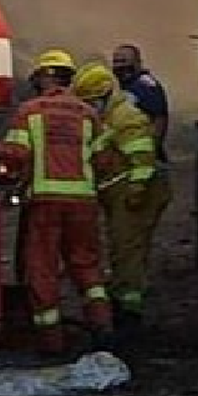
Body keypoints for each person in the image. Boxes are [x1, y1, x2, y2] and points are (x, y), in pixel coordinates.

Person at [2, 49, 113, 355]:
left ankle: (51, 342)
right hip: (84, 204)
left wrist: (0, 161)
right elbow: (104, 160)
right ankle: (102, 327)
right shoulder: (88, 114)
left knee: (42, 268)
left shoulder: (30, 111)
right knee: (88, 267)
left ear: (45, 76)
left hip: (44, 203)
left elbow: (15, 156)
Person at [74, 62, 171, 332]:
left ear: (104, 95)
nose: (89, 107)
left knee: (128, 251)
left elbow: (142, 155)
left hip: (137, 193)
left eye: (91, 101)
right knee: (122, 249)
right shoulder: (109, 118)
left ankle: (129, 313)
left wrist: (136, 189)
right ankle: (123, 298)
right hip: (123, 193)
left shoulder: (125, 117)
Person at [111, 44, 169, 151]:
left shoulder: (146, 85)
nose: (119, 66)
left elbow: (159, 118)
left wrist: (154, 147)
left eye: (124, 61)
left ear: (138, 63)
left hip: (142, 150)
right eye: (116, 62)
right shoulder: (120, 85)